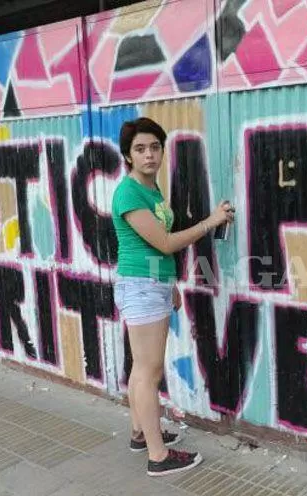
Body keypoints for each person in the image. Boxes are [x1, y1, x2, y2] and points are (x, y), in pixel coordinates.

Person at [111, 117, 234, 476]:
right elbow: (165, 242)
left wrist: (172, 283)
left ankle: (139, 433)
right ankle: (158, 456)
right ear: (128, 156)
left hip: (152, 284)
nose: (149, 155)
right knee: (148, 373)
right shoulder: (129, 193)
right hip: (141, 286)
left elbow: (157, 250)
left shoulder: (151, 191)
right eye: (140, 149)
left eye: (154, 147)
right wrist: (210, 222)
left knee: (141, 368)